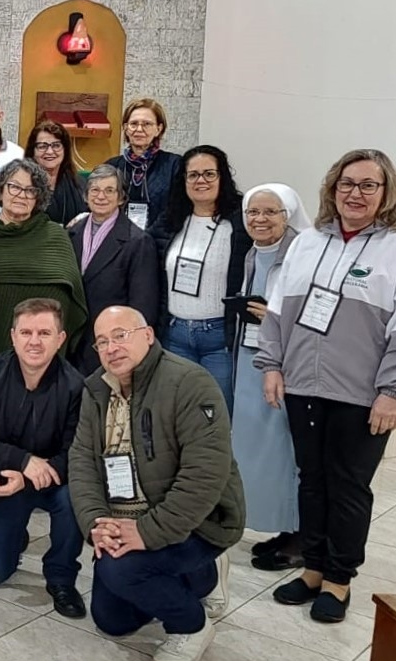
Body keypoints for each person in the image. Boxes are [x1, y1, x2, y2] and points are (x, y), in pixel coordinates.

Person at [257, 149, 396, 623]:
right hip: (303, 383)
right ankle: (313, 568)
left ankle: (339, 580)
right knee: (311, 481)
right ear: (332, 189)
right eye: (346, 184)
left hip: (362, 394)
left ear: (385, 192)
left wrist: (391, 391)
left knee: (349, 486)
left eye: (367, 185)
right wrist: (272, 364)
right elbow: (277, 311)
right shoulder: (310, 241)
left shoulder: (392, 247)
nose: (355, 194)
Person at [69, 306, 244, 661]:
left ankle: (192, 625)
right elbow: (82, 461)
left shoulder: (190, 383)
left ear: (148, 335)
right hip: (124, 514)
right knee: (112, 620)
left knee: (121, 572)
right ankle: (199, 577)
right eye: (102, 341)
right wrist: (97, 522)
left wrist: (148, 533)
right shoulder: (96, 389)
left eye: (121, 335)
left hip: (197, 522)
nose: (111, 347)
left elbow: (204, 475)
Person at [0, 298, 85, 617]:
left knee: (76, 499)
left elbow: (79, 452)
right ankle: (13, 535)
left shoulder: (76, 387)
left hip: (54, 479)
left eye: (44, 333)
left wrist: (34, 471)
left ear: (61, 339)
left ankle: (61, 578)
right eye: (26, 332)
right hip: (4, 479)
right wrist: (22, 462)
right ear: (12, 335)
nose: (34, 341)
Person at [231, 184, 309, 571]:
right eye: (253, 213)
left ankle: (301, 536)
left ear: (287, 215)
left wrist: (273, 318)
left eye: (270, 212)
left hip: (285, 364)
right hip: (250, 357)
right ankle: (281, 527)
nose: (260, 220)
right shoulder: (251, 252)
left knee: (286, 449)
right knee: (259, 450)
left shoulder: (301, 253)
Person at [149, 145, 250, 414]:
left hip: (220, 339)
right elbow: (139, 248)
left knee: (216, 416)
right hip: (175, 335)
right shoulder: (169, 220)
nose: (200, 181)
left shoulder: (241, 221)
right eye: (192, 175)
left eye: (208, 174)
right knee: (177, 414)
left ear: (222, 177)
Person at [0, 159, 87, 364]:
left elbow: (74, 297)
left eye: (30, 190)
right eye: (14, 186)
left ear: (38, 197)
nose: (21, 195)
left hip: (46, 355)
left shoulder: (56, 236)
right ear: (1, 189)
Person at [67, 164, 159, 375]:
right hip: (73, 342)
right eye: (95, 190)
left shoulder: (137, 241)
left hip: (112, 345)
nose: (101, 196)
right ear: (86, 195)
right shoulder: (71, 233)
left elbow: (143, 306)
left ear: (121, 198)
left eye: (109, 190)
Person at [105, 98, 182, 231]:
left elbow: (177, 210)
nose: (139, 129)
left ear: (159, 129)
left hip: (160, 242)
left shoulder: (174, 165)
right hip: (119, 241)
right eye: (133, 124)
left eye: (147, 124)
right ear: (125, 128)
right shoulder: (111, 167)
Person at [26, 120, 87, 225]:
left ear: (65, 149)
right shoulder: (23, 186)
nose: (50, 151)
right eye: (42, 146)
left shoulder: (80, 185)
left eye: (56, 145)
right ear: (33, 151)